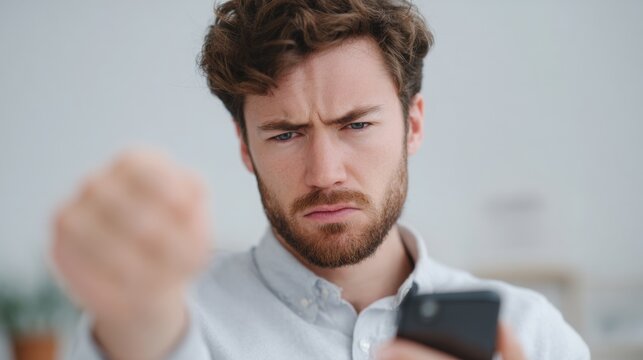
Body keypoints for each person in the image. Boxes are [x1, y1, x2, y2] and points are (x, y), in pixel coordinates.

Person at [51, 0, 590, 359]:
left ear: (414, 125)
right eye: (285, 134)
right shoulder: (169, 321)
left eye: (355, 125)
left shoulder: (530, 333)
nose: (325, 174)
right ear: (244, 146)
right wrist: (139, 314)